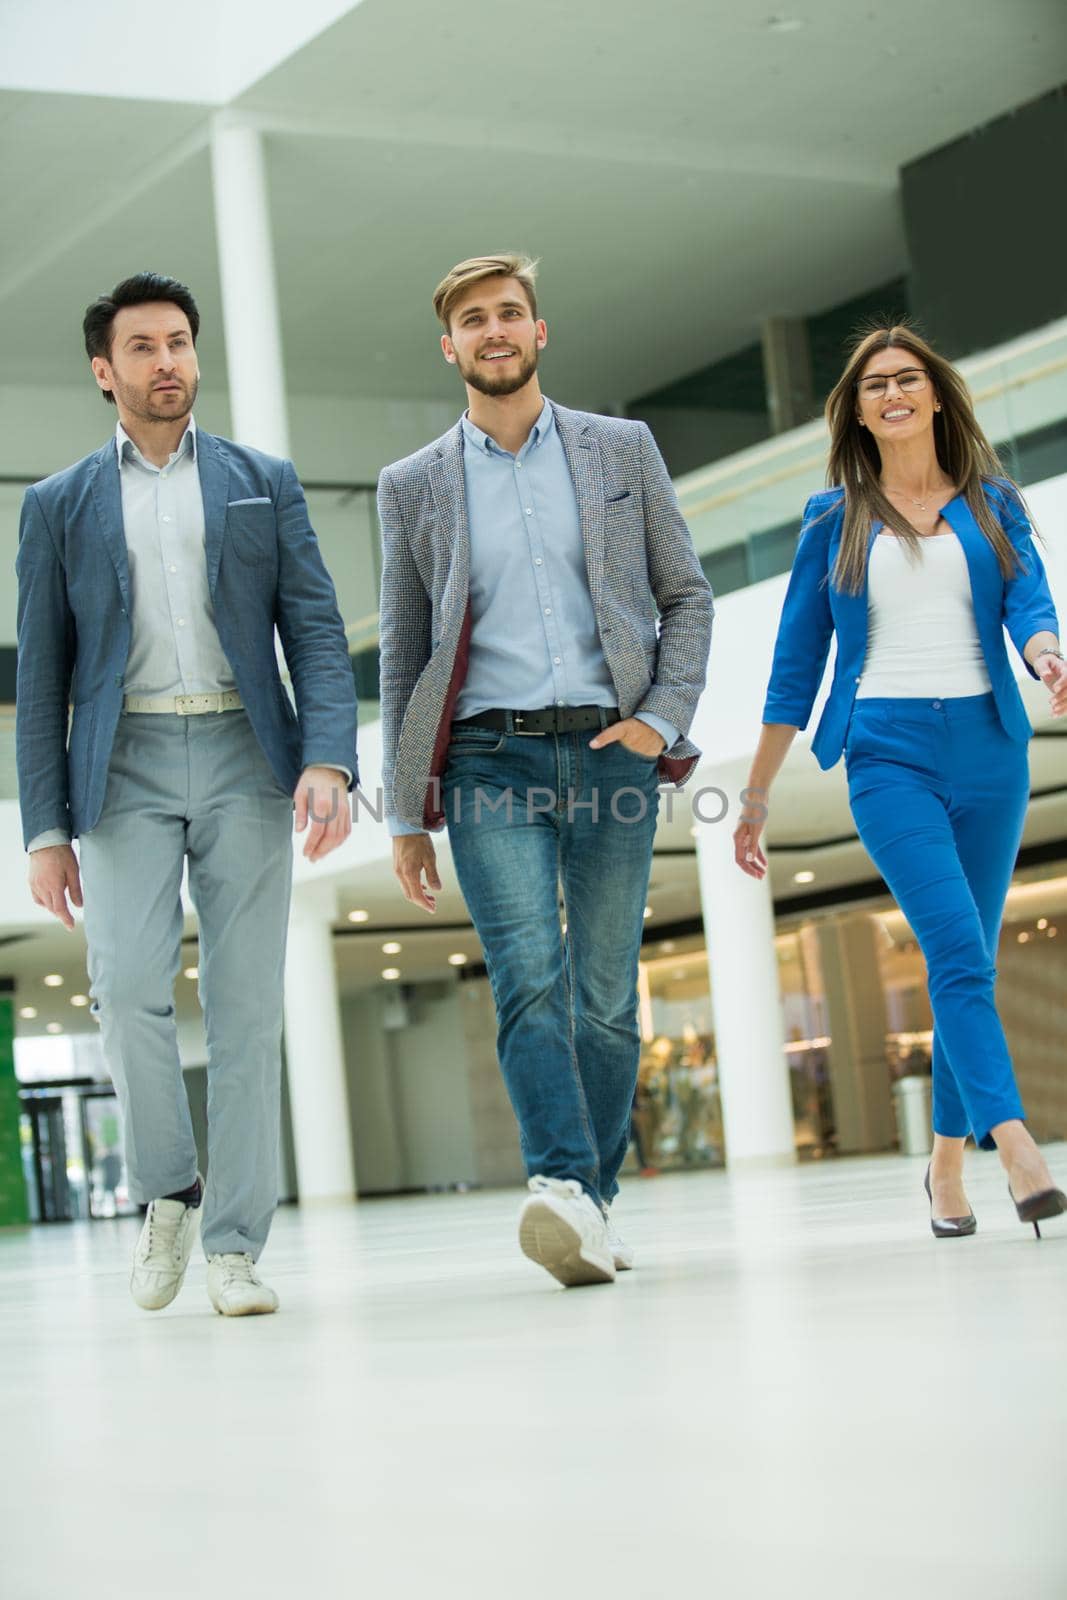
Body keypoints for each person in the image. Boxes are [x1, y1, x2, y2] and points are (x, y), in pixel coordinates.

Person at [16, 272, 358, 1314]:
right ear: (104, 370)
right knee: (125, 990)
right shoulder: (58, 502)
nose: (168, 362)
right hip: (119, 766)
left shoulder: (261, 479)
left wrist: (329, 757)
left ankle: (235, 1247)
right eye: (144, 347)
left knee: (250, 1008)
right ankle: (169, 1187)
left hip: (247, 756)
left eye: (179, 342)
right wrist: (44, 826)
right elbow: (42, 675)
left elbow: (312, 627)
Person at [377, 254, 713, 1286]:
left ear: (538, 332)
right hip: (485, 756)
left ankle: (593, 1204)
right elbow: (401, 650)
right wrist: (403, 808)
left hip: (609, 747)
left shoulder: (621, 449)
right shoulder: (412, 485)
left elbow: (686, 597)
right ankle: (560, 1181)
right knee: (528, 976)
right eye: (472, 319)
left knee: (606, 995)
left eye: (509, 314)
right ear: (449, 345)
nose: (493, 332)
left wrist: (660, 719)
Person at [735, 323, 1067, 1239]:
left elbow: (1030, 602)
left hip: (989, 751)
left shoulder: (991, 502)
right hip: (885, 753)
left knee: (970, 961)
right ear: (857, 411)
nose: (891, 393)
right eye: (872, 384)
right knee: (958, 951)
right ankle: (1019, 1148)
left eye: (906, 379)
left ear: (932, 395)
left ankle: (944, 1166)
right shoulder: (831, 520)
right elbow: (794, 667)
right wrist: (756, 793)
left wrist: (1046, 654)